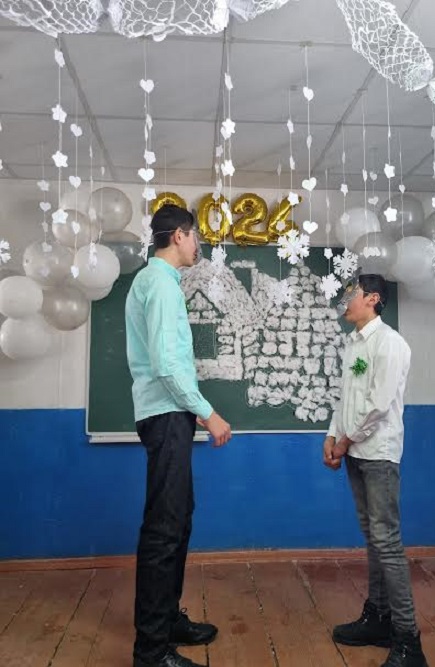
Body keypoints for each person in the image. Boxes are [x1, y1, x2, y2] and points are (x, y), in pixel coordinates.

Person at [125, 204, 232, 667]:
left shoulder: (155, 282)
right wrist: (209, 414)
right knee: (165, 530)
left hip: (168, 414)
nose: (198, 246)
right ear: (180, 236)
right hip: (168, 414)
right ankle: (151, 652)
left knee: (177, 519)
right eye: (196, 238)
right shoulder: (162, 286)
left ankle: (166, 621)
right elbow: (168, 365)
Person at [323, 273, 428, 667]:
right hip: (354, 451)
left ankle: (408, 641)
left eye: (350, 295)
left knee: (387, 541)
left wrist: (346, 440)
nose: (344, 302)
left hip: (378, 453)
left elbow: (379, 404)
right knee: (373, 538)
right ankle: (379, 618)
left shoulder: (390, 343)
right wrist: (332, 435)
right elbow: (345, 398)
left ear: (372, 298)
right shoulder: (354, 343)